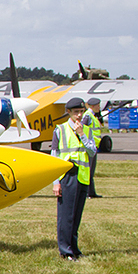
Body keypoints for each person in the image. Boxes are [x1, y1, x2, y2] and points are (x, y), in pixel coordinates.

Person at [52, 97, 96, 260]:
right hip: (67, 175)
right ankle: (65, 250)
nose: (79, 115)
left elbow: (92, 151)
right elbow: (54, 156)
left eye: (81, 112)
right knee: (66, 215)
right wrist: (56, 182)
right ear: (69, 113)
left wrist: (82, 134)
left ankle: (74, 248)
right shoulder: (60, 130)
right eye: (76, 112)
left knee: (76, 214)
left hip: (82, 176)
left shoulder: (86, 130)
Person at [86, 97, 103, 198]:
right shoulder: (88, 116)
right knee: (89, 170)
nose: (99, 107)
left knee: (91, 171)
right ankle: (87, 192)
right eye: (98, 106)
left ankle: (92, 192)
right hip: (90, 146)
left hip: (94, 146)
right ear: (92, 106)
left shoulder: (92, 116)